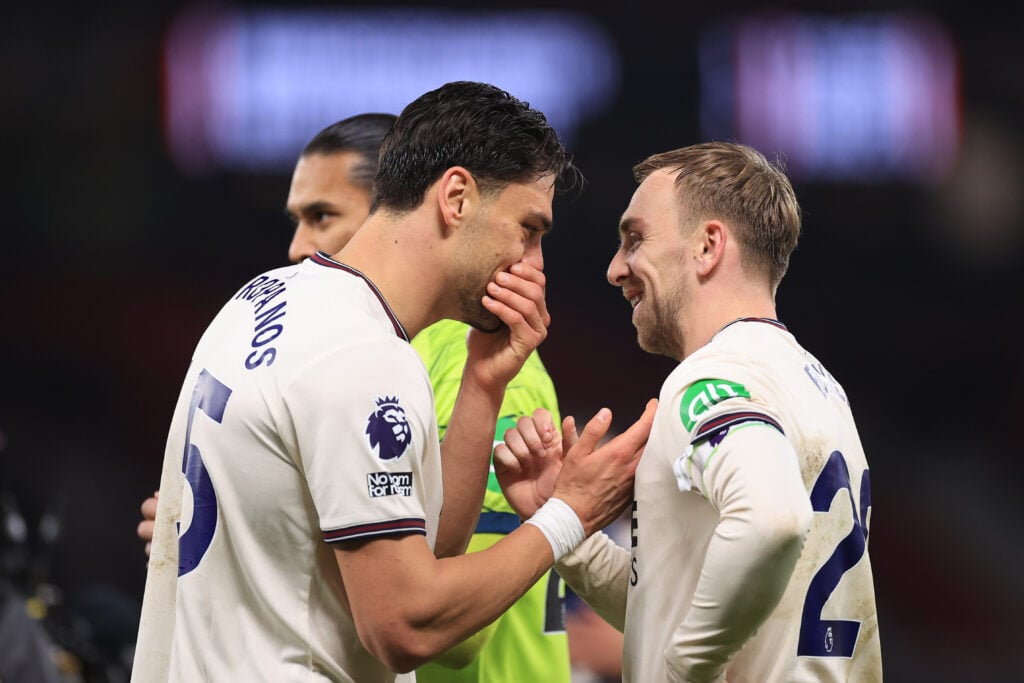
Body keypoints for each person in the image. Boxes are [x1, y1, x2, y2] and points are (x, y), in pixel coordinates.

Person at [131, 81, 656, 682]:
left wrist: (483, 388)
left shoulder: (260, 298)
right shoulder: (363, 356)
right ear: (455, 197)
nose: (533, 264)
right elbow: (405, 627)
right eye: (528, 229)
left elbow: (424, 551)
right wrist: (571, 513)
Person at [496, 142, 882, 681]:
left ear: (707, 246)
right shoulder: (814, 383)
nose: (614, 269)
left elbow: (772, 521)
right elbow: (675, 611)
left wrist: (680, 671)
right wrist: (565, 528)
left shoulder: (707, 377)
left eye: (634, 239)